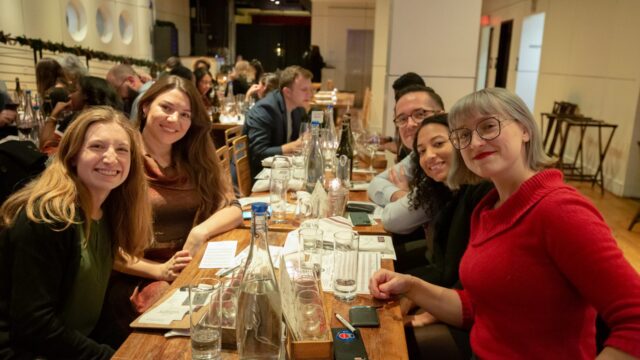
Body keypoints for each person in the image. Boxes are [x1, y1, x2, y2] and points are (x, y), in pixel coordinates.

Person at [370, 88, 640, 359]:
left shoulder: (559, 209)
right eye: (463, 135)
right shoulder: (489, 207)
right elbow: (482, 306)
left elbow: (634, 321)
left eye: (488, 127)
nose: (475, 143)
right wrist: (410, 286)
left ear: (525, 130)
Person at [0, 107, 152, 359]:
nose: (111, 157)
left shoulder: (107, 212)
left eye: (122, 149)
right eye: (97, 147)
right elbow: (34, 324)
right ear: (72, 155)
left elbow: (93, 311)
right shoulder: (49, 218)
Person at [105, 75, 243, 339]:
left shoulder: (194, 155)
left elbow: (234, 207)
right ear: (145, 106)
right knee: (194, 330)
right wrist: (159, 270)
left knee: (238, 305)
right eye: (166, 108)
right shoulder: (122, 155)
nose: (174, 120)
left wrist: (198, 233)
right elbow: (104, 242)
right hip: (139, 276)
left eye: (185, 114)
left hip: (189, 266)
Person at [398, 114, 493, 359]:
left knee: (408, 337)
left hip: (482, 317)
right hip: (458, 299)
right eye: (421, 151)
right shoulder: (450, 191)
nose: (428, 156)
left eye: (439, 144)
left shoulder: (484, 190)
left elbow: (462, 274)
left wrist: (426, 309)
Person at [368, 85, 444, 236]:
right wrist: (400, 195)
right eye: (402, 119)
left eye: (420, 114)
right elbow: (376, 182)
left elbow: (392, 219)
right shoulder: (419, 153)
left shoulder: (440, 160)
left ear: (441, 115)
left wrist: (407, 199)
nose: (410, 124)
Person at [244, 65, 312, 179]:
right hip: (257, 178)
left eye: (311, 89)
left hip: (280, 173)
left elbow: (303, 137)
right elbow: (257, 154)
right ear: (287, 92)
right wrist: (291, 147)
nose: (310, 94)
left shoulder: (298, 108)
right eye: (304, 90)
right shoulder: (264, 110)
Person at [40, 76, 123, 153]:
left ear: (86, 95)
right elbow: (46, 146)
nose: (70, 95)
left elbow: (47, 150)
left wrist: (54, 115)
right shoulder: (75, 118)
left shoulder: (89, 123)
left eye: (75, 90)